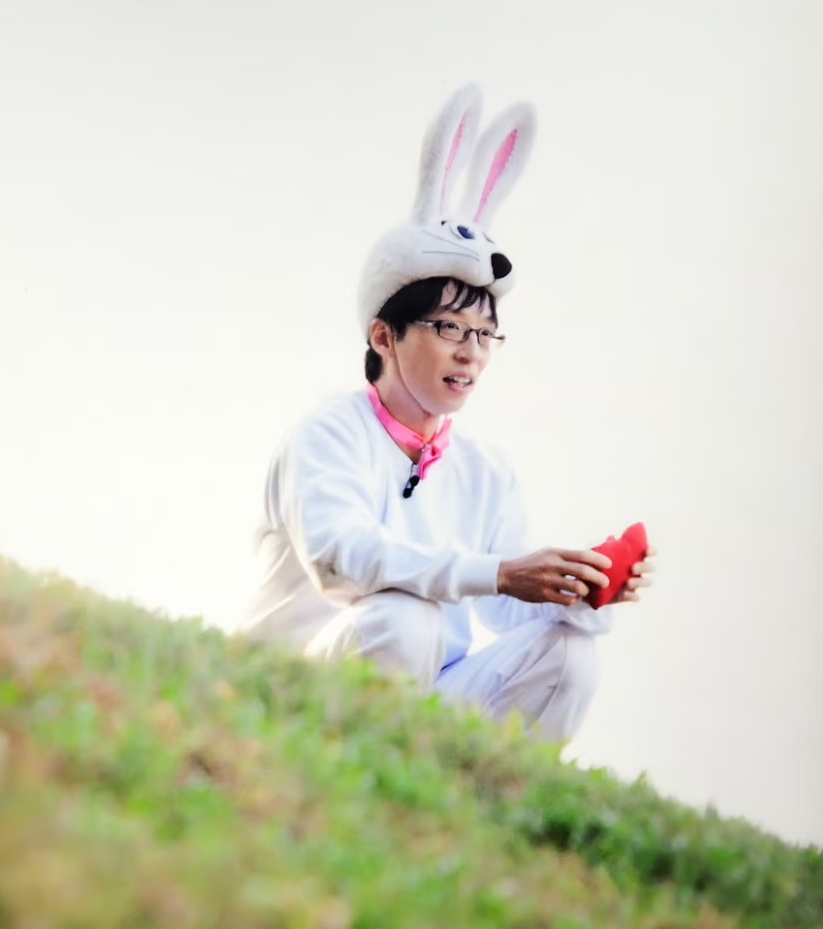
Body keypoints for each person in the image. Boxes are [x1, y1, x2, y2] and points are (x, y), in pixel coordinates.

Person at [240, 84, 655, 742]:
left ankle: (479, 800)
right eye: (450, 329)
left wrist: (580, 588)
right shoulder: (326, 433)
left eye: (486, 334)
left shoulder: (488, 470)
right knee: (408, 618)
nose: (472, 353)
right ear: (384, 336)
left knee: (570, 654)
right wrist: (501, 573)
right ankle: (337, 784)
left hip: (425, 691)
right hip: (289, 692)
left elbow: (509, 606)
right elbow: (341, 560)